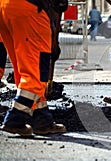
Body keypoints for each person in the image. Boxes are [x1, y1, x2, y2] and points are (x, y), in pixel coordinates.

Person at [0, 0, 68, 136]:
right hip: (30, 8)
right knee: (36, 73)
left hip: (5, 8)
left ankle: (41, 120)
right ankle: (15, 119)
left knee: (24, 69)